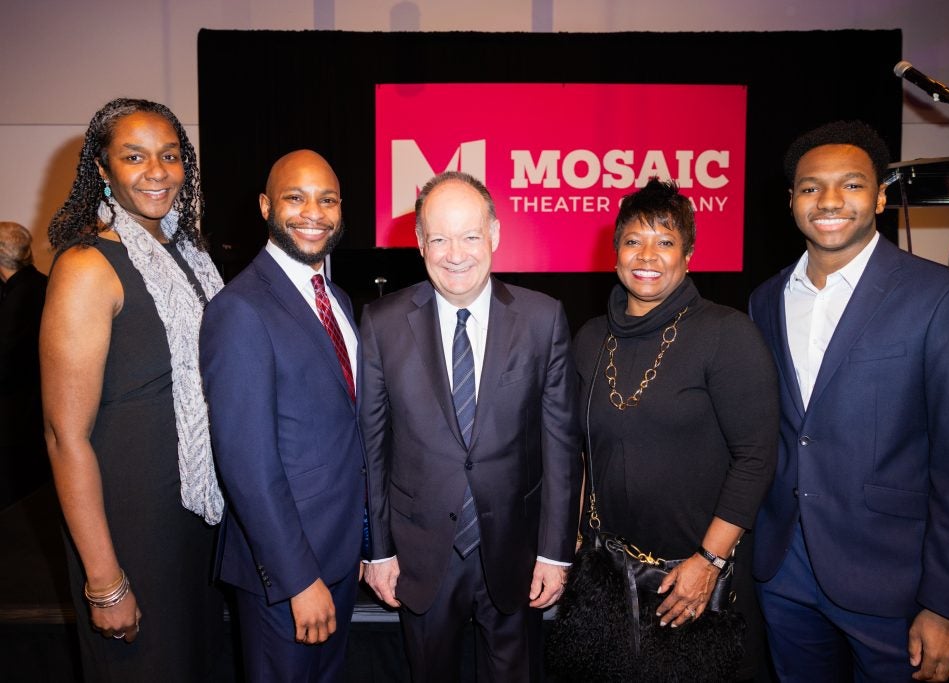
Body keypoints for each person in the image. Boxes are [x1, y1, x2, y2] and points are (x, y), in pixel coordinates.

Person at [748, 120, 949, 682]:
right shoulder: (765, 300)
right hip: (783, 570)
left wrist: (948, 603)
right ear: (791, 200)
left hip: (898, 580)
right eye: (811, 187)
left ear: (881, 197)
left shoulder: (948, 299)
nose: (830, 200)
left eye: (852, 184)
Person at [360, 171, 581, 681]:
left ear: (496, 235)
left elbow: (560, 447)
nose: (454, 253)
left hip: (515, 553)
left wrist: (555, 552)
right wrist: (378, 551)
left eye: (470, 236)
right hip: (418, 556)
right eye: (438, 238)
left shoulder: (542, 319)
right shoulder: (382, 323)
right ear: (419, 243)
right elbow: (372, 450)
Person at [39, 98, 226, 681]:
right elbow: (64, 435)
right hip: (131, 524)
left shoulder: (190, 257)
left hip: (196, 517)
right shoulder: (86, 266)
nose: (157, 171)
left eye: (169, 156)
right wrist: (103, 578)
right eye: (134, 156)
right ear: (102, 167)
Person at [569, 178, 780, 680]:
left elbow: (756, 457)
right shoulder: (590, 338)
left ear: (688, 254)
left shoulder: (726, 334)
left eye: (665, 241)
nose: (648, 255)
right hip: (608, 576)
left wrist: (708, 561)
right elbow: (583, 452)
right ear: (615, 252)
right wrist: (577, 540)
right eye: (633, 240)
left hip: (690, 576)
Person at [199, 149, 366, 681]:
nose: (312, 212)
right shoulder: (240, 309)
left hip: (336, 554)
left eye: (327, 199)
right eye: (295, 197)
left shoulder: (335, 297)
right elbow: (247, 463)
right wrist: (297, 580)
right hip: (285, 572)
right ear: (267, 205)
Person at [0, 221, 49, 507]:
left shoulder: (20, 296)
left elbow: (6, 361)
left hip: (18, 416)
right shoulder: (41, 283)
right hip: (33, 412)